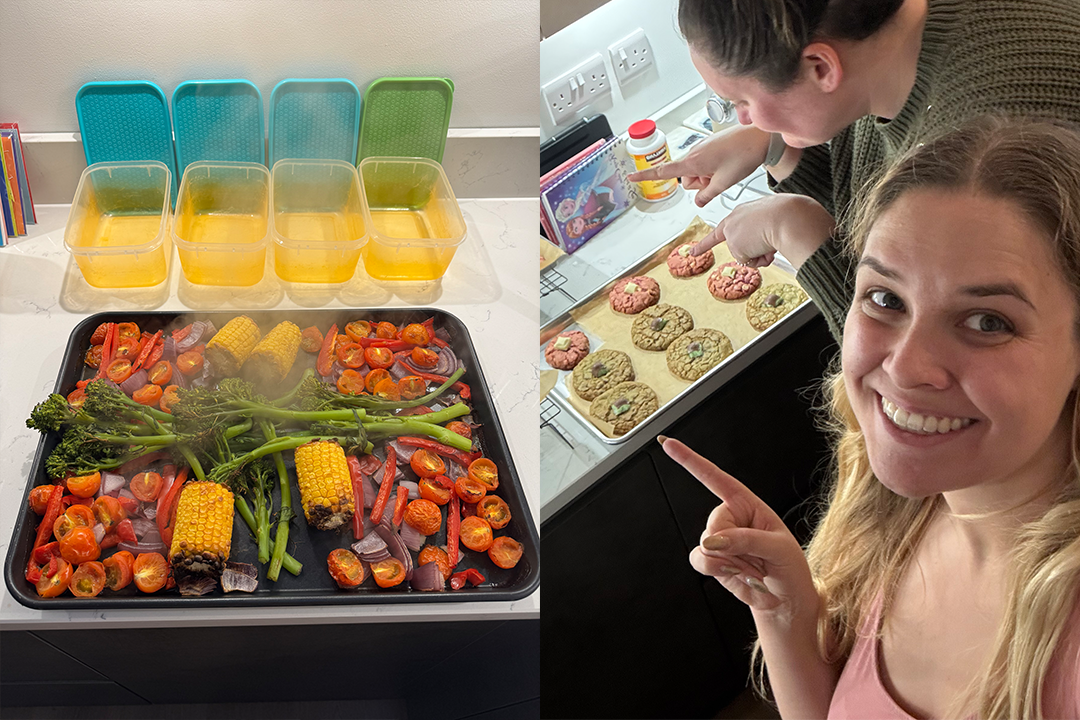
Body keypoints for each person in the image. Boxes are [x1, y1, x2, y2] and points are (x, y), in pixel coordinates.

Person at [659, 117, 1080, 719]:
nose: (906, 369)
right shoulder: (912, 504)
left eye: (989, 321)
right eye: (886, 299)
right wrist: (787, 615)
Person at [629, 0, 1080, 340]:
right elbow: (871, 217)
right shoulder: (888, 53)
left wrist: (793, 229)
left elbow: (911, 359)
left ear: (821, 67)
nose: (743, 118)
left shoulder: (979, 151)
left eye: (741, 103)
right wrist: (775, 143)